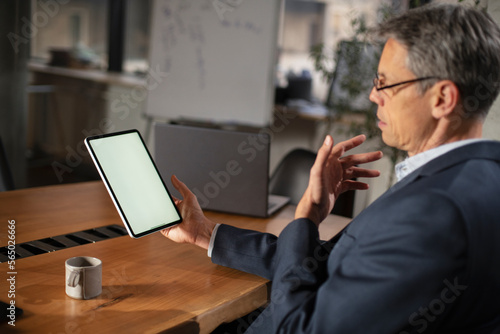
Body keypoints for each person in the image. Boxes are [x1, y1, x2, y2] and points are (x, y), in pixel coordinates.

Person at [161, 3, 500, 333]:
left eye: (386, 83)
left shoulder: (431, 213)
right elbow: (320, 267)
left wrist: (306, 216)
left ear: (442, 99)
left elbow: (297, 327)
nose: (373, 95)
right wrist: (204, 233)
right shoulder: (476, 179)